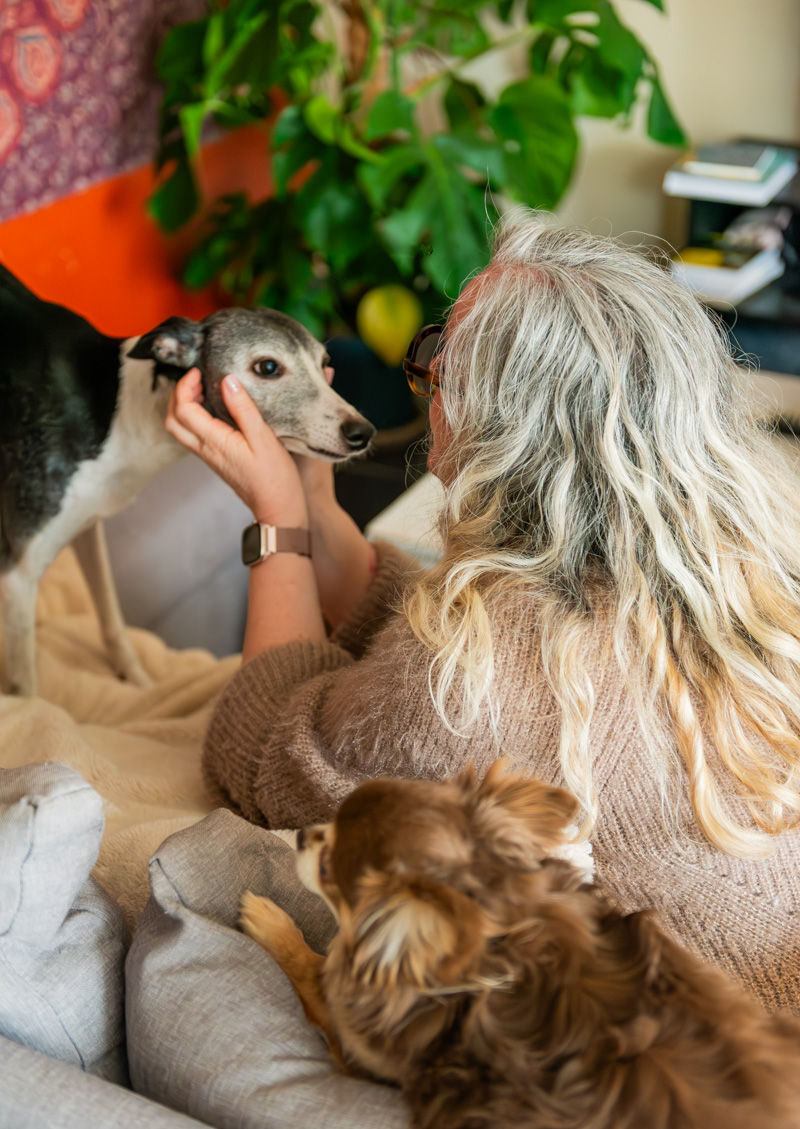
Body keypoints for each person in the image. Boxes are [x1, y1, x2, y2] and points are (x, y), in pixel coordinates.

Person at [166, 208, 800, 1013]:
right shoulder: (738, 564)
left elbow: (265, 758)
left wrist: (276, 520)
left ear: (493, 420)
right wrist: (313, 497)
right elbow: (422, 654)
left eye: (440, 362)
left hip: (720, 1054)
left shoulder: (489, 669)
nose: (426, 372)